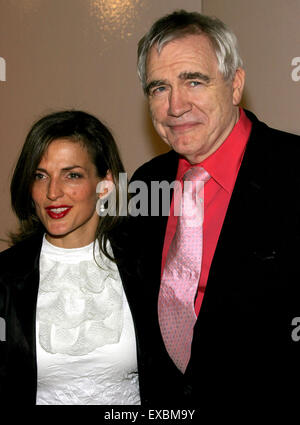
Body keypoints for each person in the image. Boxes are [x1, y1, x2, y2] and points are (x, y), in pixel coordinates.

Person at [130, 10, 300, 410]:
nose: (175, 105)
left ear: (235, 84)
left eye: (193, 80)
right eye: (159, 88)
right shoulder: (144, 182)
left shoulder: (293, 170)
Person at [0, 110, 143, 405]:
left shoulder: (145, 264)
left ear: (105, 184)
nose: (53, 192)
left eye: (72, 175)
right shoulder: (5, 276)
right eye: (41, 176)